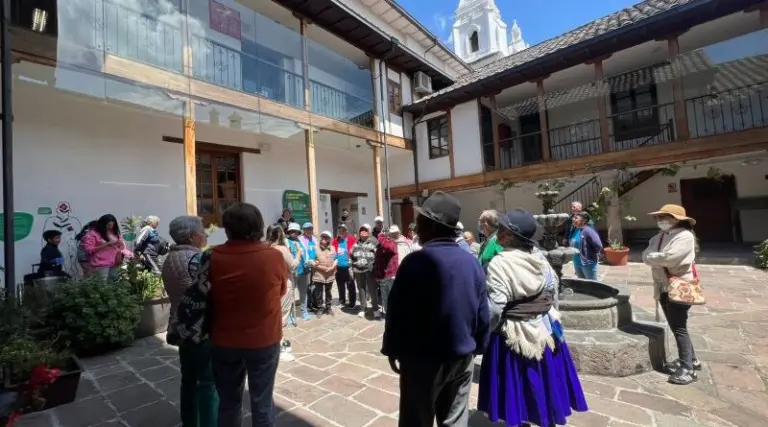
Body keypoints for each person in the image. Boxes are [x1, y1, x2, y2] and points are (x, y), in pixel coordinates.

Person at [382, 191, 490, 427]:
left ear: (431, 225)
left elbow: (396, 313)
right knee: (455, 419)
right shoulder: (471, 263)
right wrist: (477, 347)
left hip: (422, 360)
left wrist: (391, 347)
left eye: (420, 220)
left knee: (416, 420)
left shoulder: (415, 262)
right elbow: (483, 313)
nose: (416, 226)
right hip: (461, 356)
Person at [177, 203, 287, 427]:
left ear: (227, 229)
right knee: (262, 403)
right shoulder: (273, 257)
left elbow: (202, 293)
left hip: (224, 340)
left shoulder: (211, 256)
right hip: (264, 339)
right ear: (259, 226)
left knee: (228, 403)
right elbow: (281, 291)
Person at [479, 209, 588, 427]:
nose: (498, 232)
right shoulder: (539, 257)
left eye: (502, 229)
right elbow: (552, 292)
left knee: (517, 385)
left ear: (509, 235)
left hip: (513, 335)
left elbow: (496, 308)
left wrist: (484, 332)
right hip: (545, 328)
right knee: (543, 381)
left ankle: (519, 419)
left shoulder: (500, 262)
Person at [161, 215, 217, 427]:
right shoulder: (197, 260)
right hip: (200, 327)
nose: (205, 235)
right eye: (202, 231)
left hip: (179, 324)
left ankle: (190, 422)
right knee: (207, 382)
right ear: (192, 236)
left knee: (189, 379)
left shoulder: (170, 258)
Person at [642, 204, 700, 385]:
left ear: (676, 219)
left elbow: (671, 258)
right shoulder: (658, 237)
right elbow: (645, 255)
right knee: (676, 325)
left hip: (679, 285)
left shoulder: (685, 236)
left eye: (664, 217)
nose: (660, 220)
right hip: (663, 287)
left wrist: (654, 258)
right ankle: (691, 360)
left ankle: (688, 369)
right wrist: (655, 257)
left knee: (679, 327)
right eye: (659, 217)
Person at [267, 224, 301, 360]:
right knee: (282, 317)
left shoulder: (265, 248)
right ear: (280, 234)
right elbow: (293, 266)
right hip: (283, 286)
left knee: (272, 317)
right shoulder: (281, 249)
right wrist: (298, 253)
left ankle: (274, 344)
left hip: (269, 287)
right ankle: (279, 349)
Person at [81, 214, 131, 282]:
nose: (110, 227)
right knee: (102, 284)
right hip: (101, 264)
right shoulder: (92, 234)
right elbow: (89, 250)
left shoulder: (114, 232)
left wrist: (120, 246)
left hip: (115, 262)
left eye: (112, 225)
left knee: (114, 282)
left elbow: (122, 246)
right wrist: (107, 244)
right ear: (102, 224)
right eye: (108, 225)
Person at [350, 224, 380, 319]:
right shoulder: (355, 244)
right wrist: (352, 267)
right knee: (361, 289)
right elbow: (351, 256)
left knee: (372, 290)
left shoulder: (374, 242)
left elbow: (379, 256)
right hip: (358, 270)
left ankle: (375, 309)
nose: (363, 232)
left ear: (369, 233)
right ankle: (363, 308)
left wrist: (376, 268)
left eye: (365, 230)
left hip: (370, 270)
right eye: (361, 230)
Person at [374, 225, 401, 316]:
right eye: (392, 233)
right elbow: (378, 260)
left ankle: (394, 314)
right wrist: (377, 274)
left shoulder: (393, 243)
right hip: (383, 275)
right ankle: (387, 314)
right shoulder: (383, 243)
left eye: (396, 233)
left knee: (393, 296)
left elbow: (389, 248)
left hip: (392, 275)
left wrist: (381, 236)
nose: (394, 235)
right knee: (384, 297)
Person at [285, 223, 309, 320]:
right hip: (292, 272)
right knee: (290, 293)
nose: (294, 233)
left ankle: (304, 311)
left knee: (303, 292)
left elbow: (305, 254)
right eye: (292, 231)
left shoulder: (301, 241)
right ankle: (291, 314)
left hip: (303, 270)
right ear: (289, 232)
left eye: (296, 232)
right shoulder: (286, 241)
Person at [570, 211, 603, 280]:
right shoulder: (576, 230)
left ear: (584, 221)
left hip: (587, 263)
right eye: (573, 218)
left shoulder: (588, 231)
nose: (573, 219)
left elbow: (598, 245)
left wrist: (593, 254)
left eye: (576, 218)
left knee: (591, 284)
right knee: (582, 284)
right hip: (577, 263)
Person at [332, 224, 357, 309]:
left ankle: (352, 302)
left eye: (343, 230)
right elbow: (333, 252)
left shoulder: (352, 239)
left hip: (348, 267)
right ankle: (342, 300)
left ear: (347, 231)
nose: (341, 232)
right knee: (340, 285)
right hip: (338, 267)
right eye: (340, 230)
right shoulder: (336, 240)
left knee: (350, 285)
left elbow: (356, 251)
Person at [312, 231, 337, 314]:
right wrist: (321, 267)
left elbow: (336, 259)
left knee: (328, 292)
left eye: (326, 237)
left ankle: (328, 307)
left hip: (330, 274)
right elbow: (312, 261)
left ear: (329, 239)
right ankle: (320, 308)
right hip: (319, 274)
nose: (324, 238)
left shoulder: (333, 248)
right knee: (319, 292)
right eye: (322, 236)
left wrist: (332, 267)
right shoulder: (315, 248)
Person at [299, 222, 318, 312]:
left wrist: (317, 260)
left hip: (315, 265)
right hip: (306, 265)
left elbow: (317, 250)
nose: (309, 231)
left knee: (314, 284)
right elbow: (302, 253)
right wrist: (309, 261)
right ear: (304, 230)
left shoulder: (314, 239)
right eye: (307, 229)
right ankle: (307, 305)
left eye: (311, 229)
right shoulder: (301, 239)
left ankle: (314, 303)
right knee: (306, 286)